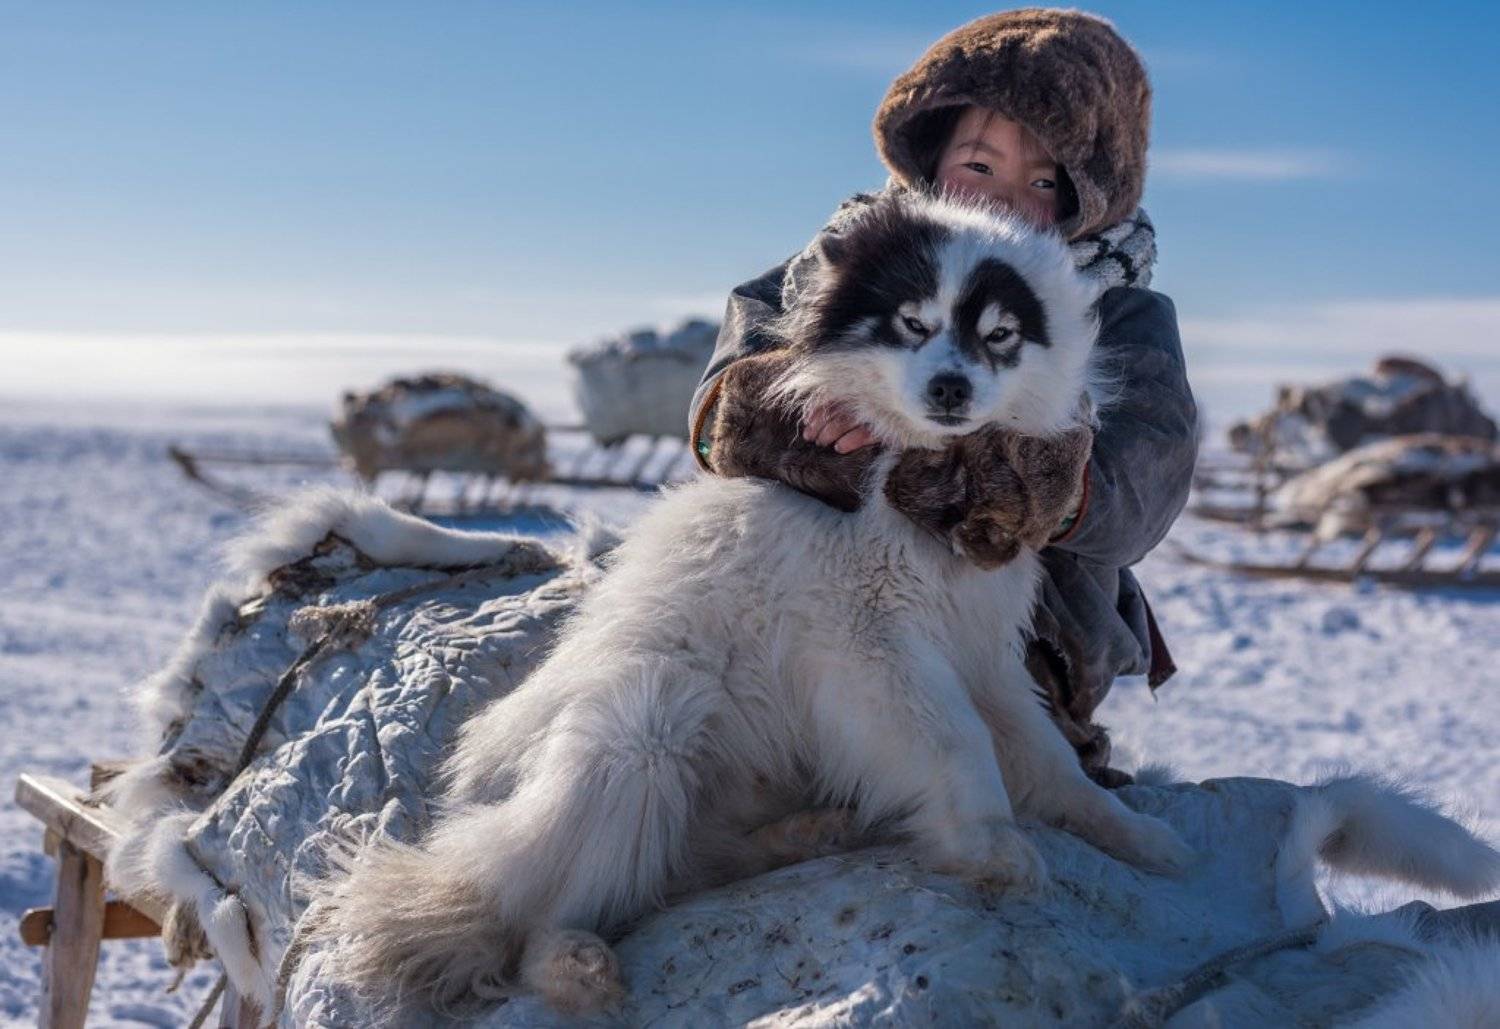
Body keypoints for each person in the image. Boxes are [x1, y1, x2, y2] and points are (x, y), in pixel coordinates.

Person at [686, 8, 1198, 785]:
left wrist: (970, 464)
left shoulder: (1120, 312)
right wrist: (799, 417)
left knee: (998, 729)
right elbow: (723, 405)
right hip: (807, 585)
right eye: (980, 166)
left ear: (1087, 197)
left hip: (1029, 627)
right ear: (927, 160)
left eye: (1045, 181)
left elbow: (1137, 490)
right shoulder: (841, 263)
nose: (1003, 202)